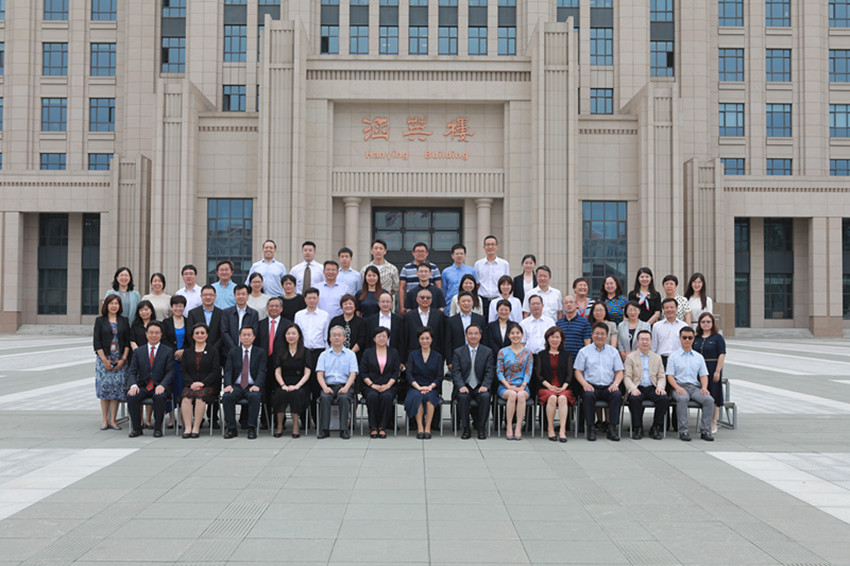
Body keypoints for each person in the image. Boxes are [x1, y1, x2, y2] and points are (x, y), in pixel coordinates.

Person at [574, 323, 624, 442]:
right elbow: (578, 371)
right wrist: (585, 384)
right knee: (588, 396)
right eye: (597, 333)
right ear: (592, 335)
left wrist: (615, 384)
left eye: (602, 334)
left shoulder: (613, 352)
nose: (599, 336)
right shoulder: (584, 351)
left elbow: (619, 372)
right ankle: (591, 428)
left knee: (616, 395)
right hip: (591, 386)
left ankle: (612, 428)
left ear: (607, 336)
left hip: (608, 386)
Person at [126, 321, 175, 438]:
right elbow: (132, 371)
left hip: (159, 386)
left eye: (157, 333)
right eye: (151, 332)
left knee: (160, 397)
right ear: (146, 334)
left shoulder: (168, 351)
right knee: (131, 396)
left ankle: (158, 428)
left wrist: (163, 385)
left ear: (161, 334)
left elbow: (170, 372)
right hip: (143, 386)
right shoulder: (138, 351)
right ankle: (137, 428)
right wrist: (133, 385)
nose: (154, 335)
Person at [666, 327, 715, 442]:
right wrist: (677, 388)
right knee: (682, 399)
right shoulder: (673, 356)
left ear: (693, 339)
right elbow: (670, 376)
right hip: (679, 386)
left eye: (690, 338)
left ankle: (706, 430)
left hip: (695, 388)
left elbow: (703, 375)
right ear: (680, 338)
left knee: (709, 400)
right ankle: (683, 431)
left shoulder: (699, 357)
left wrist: (704, 387)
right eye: (684, 337)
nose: (687, 340)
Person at [93, 295, 131, 431]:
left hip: (119, 359)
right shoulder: (100, 321)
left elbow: (127, 342)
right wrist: (104, 360)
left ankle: (113, 420)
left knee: (116, 389)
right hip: (104, 359)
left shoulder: (124, 321)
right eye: (111, 303)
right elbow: (96, 342)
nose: (114, 306)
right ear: (106, 305)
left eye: (116, 303)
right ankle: (105, 420)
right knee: (104, 390)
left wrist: (123, 359)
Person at [451, 324, 494, 440]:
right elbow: (456, 372)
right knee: (463, 397)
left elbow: (490, 371)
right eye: (470, 333)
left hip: (480, 386)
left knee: (485, 396)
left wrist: (485, 385)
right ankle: (466, 428)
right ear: (466, 336)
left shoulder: (487, 352)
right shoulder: (458, 352)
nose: (473, 336)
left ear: (480, 336)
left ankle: (481, 428)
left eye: (476, 333)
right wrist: (460, 386)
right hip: (465, 386)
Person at [623, 330, 668, 440]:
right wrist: (632, 388)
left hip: (652, 387)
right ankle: (638, 428)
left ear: (651, 342)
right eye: (642, 339)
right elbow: (627, 377)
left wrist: (660, 387)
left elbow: (661, 376)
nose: (644, 342)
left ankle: (655, 427)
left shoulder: (657, 357)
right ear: (637, 342)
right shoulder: (630, 357)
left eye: (647, 340)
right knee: (634, 399)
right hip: (637, 386)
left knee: (663, 399)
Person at [222, 327, 266, 439]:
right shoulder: (233, 352)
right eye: (244, 335)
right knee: (227, 397)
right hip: (236, 386)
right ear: (240, 337)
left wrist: (257, 385)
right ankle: (231, 428)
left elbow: (262, 371)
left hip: (252, 386)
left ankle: (252, 428)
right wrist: (228, 385)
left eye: (249, 335)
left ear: (253, 337)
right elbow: (228, 370)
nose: (246, 337)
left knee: (255, 396)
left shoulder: (260, 352)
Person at [316, 326, 359, 439]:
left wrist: (346, 387)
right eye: (334, 335)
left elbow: (353, 374)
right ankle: (324, 430)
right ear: (330, 338)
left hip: (345, 385)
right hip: (328, 385)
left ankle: (344, 430)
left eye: (339, 335)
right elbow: (319, 374)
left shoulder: (350, 354)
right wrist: (324, 387)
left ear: (344, 338)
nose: (336, 337)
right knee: (325, 397)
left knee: (344, 398)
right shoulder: (324, 355)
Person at [179, 323, 220, 438]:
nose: (200, 335)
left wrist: (203, 383)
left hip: (208, 385)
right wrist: (191, 384)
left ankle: (196, 428)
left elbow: (215, 371)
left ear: (207, 335)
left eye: (202, 333)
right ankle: (188, 428)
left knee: (200, 397)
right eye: (197, 333)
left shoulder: (213, 351)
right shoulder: (187, 352)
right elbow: (183, 371)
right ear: (192, 336)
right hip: (191, 385)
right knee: (186, 398)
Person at [272, 324, 312, 438]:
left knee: (296, 394)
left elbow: (307, 373)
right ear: (285, 336)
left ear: (299, 335)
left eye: (294, 333)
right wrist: (283, 385)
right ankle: (279, 426)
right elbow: (277, 372)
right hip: (284, 382)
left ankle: (295, 426)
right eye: (288, 333)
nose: (291, 336)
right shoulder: (280, 351)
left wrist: (297, 386)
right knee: (280, 394)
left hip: (300, 384)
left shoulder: (306, 351)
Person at [360, 327, 400, 438]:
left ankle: (382, 427)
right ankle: (373, 427)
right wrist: (372, 385)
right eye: (379, 336)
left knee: (387, 396)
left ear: (388, 338)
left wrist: (388, 385)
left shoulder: (393, 352)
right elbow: (363, 372)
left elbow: (396, 372)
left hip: (389, 385)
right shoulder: (368, 352)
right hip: (370, 385)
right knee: (372, 396)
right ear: (374, 339)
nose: (381, 338)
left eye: (384, 336)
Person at [404, 327, 444, 439]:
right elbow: (409, 374)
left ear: (431, 339)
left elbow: (439, 376)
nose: (425, 341)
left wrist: (430, 387)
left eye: (427, 338)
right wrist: (419, 387)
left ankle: (428, 427)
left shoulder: (438, 356)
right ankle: (420, 427)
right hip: (415, 387)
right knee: (418, 397)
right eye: (422, 338)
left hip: (432, 387)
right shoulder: (413, 355)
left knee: (429, 398)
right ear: (418, 340)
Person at [538, 326, 574, 443]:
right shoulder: (541, 355)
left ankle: (562, 430)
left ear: (561, 339)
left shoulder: (566, 355)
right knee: (552, 398)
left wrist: (563, 387)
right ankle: (550, 428)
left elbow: (569, 374)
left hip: (563, 387)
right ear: (547, 339)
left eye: (557, 337)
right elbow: (538, 375)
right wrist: (549, 386)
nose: (555, 340)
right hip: (546, 387)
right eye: (552, 337)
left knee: (562, 398)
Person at [497, 324, 533, 440]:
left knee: (521, 395)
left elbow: (528, 371)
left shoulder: (528, 352)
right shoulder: (503, 351)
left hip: (522, 386)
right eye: (512, 333)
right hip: (505, 386)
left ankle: (518, 427)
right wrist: (508, 386)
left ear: (522, 335)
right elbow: (499, 371)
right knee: (512, 395)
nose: (515, 335)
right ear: (509, 335)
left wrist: (523, 385)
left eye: (518, 333)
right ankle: (508, 426)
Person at [693, 312, 726, 434]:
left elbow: (722, 354)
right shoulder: (696, 338)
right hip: (699, 370)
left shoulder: (717, 338)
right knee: (703, 394)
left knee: (714, 395)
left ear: (712, 323)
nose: (705, 324)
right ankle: (705, 420)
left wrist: (718, 370)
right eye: (703, 322)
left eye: (708, 322)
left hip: (712, 369)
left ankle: (713, 421)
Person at [162, 295, 190, 428]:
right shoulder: (165, 322)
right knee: (171, 387)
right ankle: (171, 417)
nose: (178, 308)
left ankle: (180, 417)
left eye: (181, 306)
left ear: (184, 307)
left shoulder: (189, 321)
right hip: (170, 360)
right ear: (171, 307)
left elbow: (192, 340)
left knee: (181, 388)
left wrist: (183, 351)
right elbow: (164, 340)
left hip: (185, 361)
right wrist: (174, 352)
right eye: (175, 306)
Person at [128, 299, 157, 429]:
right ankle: (139, 420)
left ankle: (149, 420)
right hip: (138, 359)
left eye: (146, 309)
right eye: (141, 310)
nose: (144, 312)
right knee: (139, 388)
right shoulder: (135, 326)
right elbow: (132, 341)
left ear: (151, 311)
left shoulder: (156, 325)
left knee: (150, 386)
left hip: (154, 360)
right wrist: (141, 354)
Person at [445, 291, 487, 367]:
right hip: (458, 357)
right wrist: (449, 361)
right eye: (463, 301)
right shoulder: (451, 321)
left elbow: (484, 340)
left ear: (472, 303)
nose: (466, 303)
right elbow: (448, 342)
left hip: (477, 356)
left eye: (468, 301)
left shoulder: (480, 319)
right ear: (458, 303)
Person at [402, 287, 447, 359]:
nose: (425, 300)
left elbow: (442, 336)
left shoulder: (439, 315)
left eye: (428, 298)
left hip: (435, 355)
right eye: (422, 297)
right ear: (417, 299)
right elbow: (405, 338)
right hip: (413, 356)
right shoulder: (408, 316)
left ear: (431, 300)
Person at [399, 242, 442, 312]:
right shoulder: (406, 268)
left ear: (427, 253)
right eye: (418, 251)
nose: (420, 253)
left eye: (422, 251)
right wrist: (402, 306)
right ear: (413, 253)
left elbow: (438, 287)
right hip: (412, 303)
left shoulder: (434, 267)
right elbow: (402, 288)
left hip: (430, 303)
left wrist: (438, 305)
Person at [474, 235, 510, 314]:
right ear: (484, 247)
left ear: (497, 247)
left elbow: (507, 284)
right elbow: (477, 283)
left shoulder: (504, 264)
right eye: (488, 245)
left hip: (499, 300)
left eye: (493, 244)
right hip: (482, 300)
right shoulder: (478, 264)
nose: (490, 247)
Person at [184, 285, 224, 355]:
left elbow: (222, 333)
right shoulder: (193, 313)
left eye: (211, 295)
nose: (208, 297)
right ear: (201, 296)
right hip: (196, 352)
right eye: (205, 295)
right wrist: (198, 347)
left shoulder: (221, 313)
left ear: (215, 297)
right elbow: (189, 333)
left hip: (216, 352)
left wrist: (213, 349)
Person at [221, 284, 260, 354]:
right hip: (229, 352)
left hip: (247, 352)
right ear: (234, 296)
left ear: (248, 296)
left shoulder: (254, 313)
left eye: (243, 294)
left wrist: (244, 348)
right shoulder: (227, 312)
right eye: (238, 294)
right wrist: (234, 349)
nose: (241, 296)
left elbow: (254, 332)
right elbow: (224, 332)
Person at [329, 294, 368, 360]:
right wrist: (339, 353)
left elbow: (361, 340)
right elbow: (330, 338)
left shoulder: (361, 322)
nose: (348, 306)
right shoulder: (335, 321)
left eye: (350, 304)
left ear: (355, 306)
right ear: (341, 306)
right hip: (336, 356)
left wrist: (350, 354)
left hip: (355, 356)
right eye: (345, 304)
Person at [651, 298, 688, 367]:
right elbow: (653, 346)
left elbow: (687, 345)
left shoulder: (684, 326)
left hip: (679, 360)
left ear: (676, 309)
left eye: (672, 307)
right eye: (666, 308)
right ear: (663, 310)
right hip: (661, 361)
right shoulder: (656, 326)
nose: (669, 310)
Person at [556, 295, 592, 362]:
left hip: (579, 360)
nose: (569, 304)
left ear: (576, 305)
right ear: (563, 306)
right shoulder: (559, 324)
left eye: (571, 302)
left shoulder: (585, 323)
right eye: (566, 303)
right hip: (562, 360)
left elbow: (587, 344)